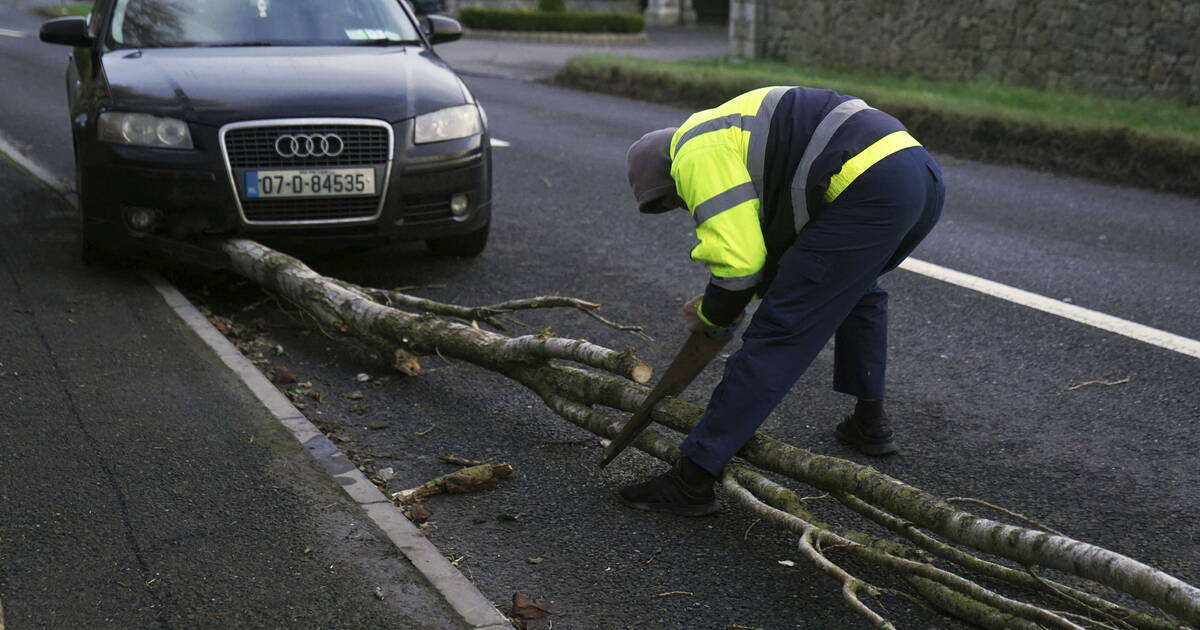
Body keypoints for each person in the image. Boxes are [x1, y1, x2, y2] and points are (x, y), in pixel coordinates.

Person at [621, 86, 945, 516]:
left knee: (780, 330)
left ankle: (692, 479)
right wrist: (732, 296)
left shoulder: (694, 149)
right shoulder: (737, 137)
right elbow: (778, 258)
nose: (683, 205)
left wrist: (714, 317)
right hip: (919, 173)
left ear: (668, 171)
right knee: (858, 292)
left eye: (674, 198)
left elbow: (738, 264)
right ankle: (869, 424)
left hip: (867, 186)